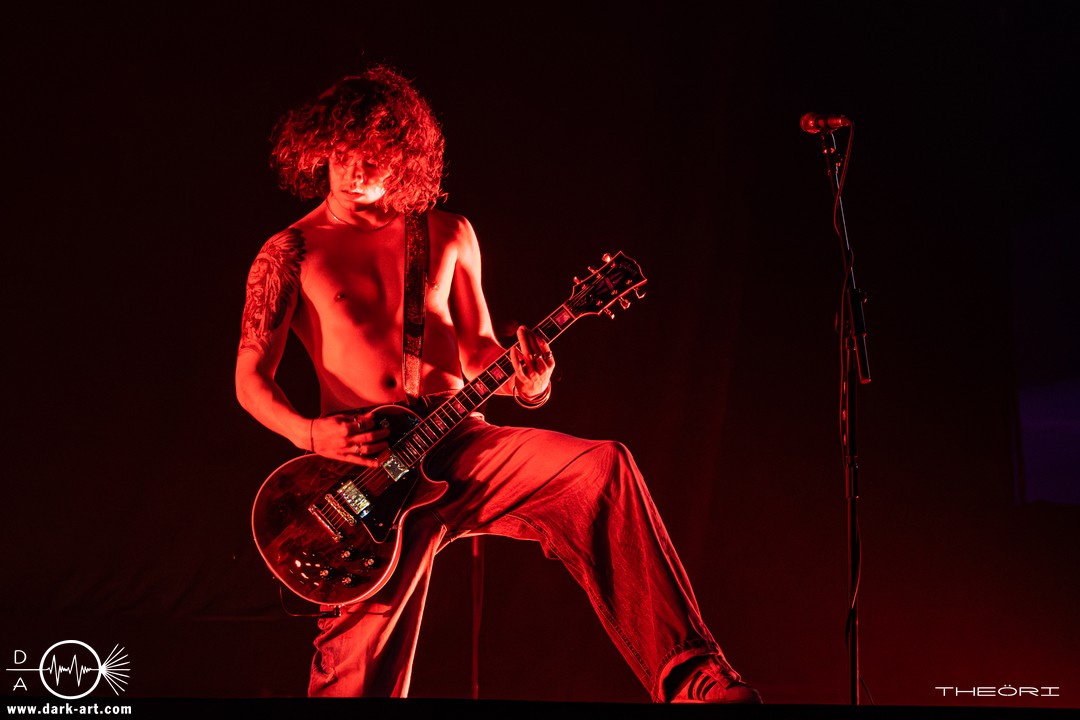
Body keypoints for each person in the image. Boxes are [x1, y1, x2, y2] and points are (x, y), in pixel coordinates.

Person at [235, 64, 761, 704]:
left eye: (374, 156)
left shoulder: (447, 232)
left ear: (402, 158)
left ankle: (696, 683)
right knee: (356, 675)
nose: (356, 170)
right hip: (366, 473)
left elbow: (480, 349)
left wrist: (530, 382)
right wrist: (311, 434)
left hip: (462, 440)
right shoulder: (289, 252)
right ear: (321, 148)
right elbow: (250, 380)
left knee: (602, 469)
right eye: (344, 153)